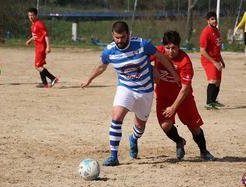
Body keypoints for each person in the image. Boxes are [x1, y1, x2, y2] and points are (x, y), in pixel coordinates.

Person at [81, 21, 180, 166]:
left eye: (122, 37)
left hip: (145, 91)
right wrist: (89, 79)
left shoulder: (142, 44)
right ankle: (113, 156)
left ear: (128, 34)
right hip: (125, 88)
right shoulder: (109, 50)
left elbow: (160, 56)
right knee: (116, 117)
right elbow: (102, 66)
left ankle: (134, 138)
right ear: (112, 36)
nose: (120, 41)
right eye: (117, 37)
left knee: (140, 127)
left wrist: (174, 73)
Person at [151, 30, 215, 161]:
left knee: (194, 127)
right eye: (167, 48)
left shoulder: (185, 61)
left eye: (173, 48)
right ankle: (179, 141)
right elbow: (141, 59)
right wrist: (152, 69)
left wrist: (174, 107)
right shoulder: (158, 52)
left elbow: (185, 89)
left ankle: (204, 151)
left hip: (184, 98)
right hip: (163, 97)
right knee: (165, 125)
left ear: (179, 47)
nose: (170, 51)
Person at [26, 7, 58, 88]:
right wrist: (30, 40)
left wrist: (48, 47)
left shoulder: (39, 24)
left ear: (36, 15)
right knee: (40, 66)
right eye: (29, 15)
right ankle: (45, 84)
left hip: (41, 47)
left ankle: (53, 78)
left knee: (37, 66)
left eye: (32, 15)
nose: (30, 17)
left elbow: (46, 35)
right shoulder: (33, 25)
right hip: (37, 47)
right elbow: (36, 36)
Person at [200, 11, 225, 110]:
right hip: (208, 60)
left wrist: (221, 60)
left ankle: (213, 101)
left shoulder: (217, 31)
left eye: (215, 19)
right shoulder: (206, 32)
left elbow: (216, 48)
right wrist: (214, 62)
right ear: (208, 20)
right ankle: (208, 103)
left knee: (218, 81)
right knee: (213, 80)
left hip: (216, 59)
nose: (215, 21)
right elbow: (202, 51)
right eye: (212, 19)